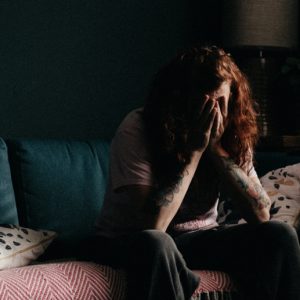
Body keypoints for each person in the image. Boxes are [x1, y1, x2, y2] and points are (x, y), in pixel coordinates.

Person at [95, 45, 300, 300]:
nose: (214, 113)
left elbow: (261, 214)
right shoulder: (138, 128)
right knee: (157, 243)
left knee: (280, 235)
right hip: (129, 240)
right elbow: (153, 225)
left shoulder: (232, 129)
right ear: (180, 101)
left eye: (221, 103)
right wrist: (195, 151)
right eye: (203, 104)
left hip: (199, 238)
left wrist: (215, 150)